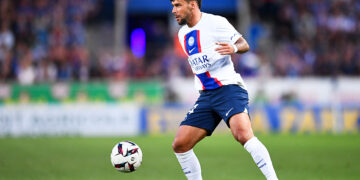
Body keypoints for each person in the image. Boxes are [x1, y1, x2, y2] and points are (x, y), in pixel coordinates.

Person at [169, 0, 278, 179]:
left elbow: (244, 44)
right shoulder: (182, 34)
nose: (174, 10)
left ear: (193, 5)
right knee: (180, 144)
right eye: (173, 5)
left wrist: (234, 48)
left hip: (228, 89)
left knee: (242, 134)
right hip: (206, 96)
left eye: (178, 5)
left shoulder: (215, 22)